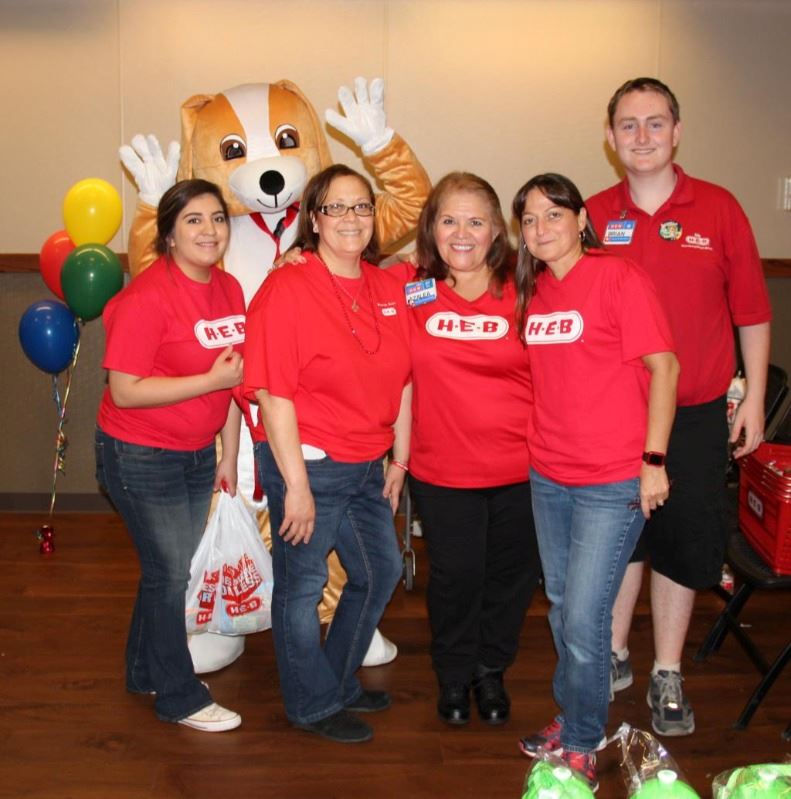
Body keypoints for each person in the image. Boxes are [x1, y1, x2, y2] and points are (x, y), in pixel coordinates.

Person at [586, 77, 772, 737]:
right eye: (628, 124)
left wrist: (749, 398)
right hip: (612, 417)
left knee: (679, 546)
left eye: (654, 122)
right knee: (620, 541)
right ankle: (609, 655)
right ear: (609, 138)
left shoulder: (718, 208)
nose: (641, 135)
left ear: (677, 131)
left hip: (694, 415)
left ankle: (666, 668)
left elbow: (750, 309)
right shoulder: (587, 214)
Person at [513, 173, 679, 790]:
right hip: (548, 473)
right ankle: (575, 715)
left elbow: (665, 367)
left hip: (613, 478)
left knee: (584, 616)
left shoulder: (618, 278)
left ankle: (583, 741)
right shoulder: (535, 291)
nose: (540, 228)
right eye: (528, 220)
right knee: (563, 608)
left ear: (580, 217)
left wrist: (654, 461)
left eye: (553, 215)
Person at [243, 164, 410, 744]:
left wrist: (399, 460)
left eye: (361, 206)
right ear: (313, 219)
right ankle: (310, 705)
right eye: (335, 208)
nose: (350, 219)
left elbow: (406, 376)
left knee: (380, 569)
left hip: (367, 460)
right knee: (302, 585)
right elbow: (273, 393)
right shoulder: (286, 287)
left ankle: (336, 681)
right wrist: (296, 486)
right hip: (307, 460)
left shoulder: (389, 286)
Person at [388, 172, 541, 726]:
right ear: (431, 227)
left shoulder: (527, 287)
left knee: (511, 577)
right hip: (442, 468)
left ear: (497, 229)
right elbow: (343, 274)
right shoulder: (410, 286)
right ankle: (453, 673)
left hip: (522, 469)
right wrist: (297, 258)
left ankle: (490, 670)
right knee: (455, 577)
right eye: (449, 219)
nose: (462, 232)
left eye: (475, 220)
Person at [95, 179, 245, 732]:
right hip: (139, 454)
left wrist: (227, 452)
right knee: (168, 575)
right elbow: (125, 389)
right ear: (169, 235)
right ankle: (179, 695)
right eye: (194, 221)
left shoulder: (229, 289)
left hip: (196, 452)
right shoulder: (147, 297)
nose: (210, 231)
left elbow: (234, 376)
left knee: (166, 571)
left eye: (218, 218)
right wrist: (207, 379)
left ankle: (143, 671)